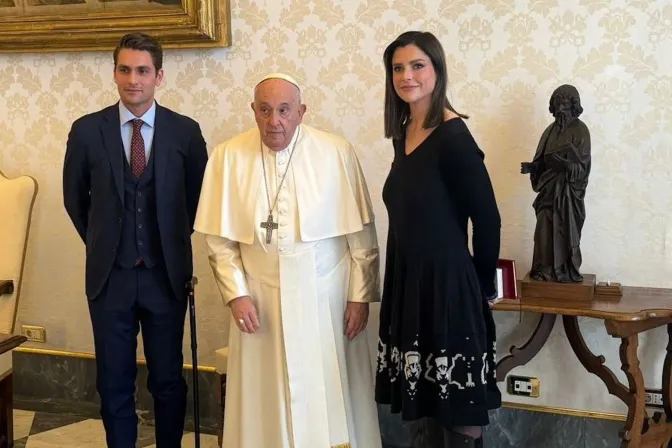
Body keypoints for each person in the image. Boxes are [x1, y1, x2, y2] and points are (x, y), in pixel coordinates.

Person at [194, 72, 382, 448]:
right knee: (267, 394)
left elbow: (361, 235)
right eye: (264, 110)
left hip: (325, 293)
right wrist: (237, 294)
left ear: (301, 112)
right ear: (253, 110)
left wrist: (359, 295)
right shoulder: (228, 156)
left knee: (329, 387)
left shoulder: (335, 152)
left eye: (284, 110)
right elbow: (219, 241)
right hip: (261, 297)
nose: (273, 121)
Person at [62, 32, 208, 447]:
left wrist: (169, 242)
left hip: (166, 276)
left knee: (168, 381)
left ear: (159, 76)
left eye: (143, 70)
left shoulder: (185, 132)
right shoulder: (88, 131)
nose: (133, 79)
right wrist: (104, 241)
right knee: (113, 384)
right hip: (111, 279)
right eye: (124, 69)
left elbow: (198, 200)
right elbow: (75, 200)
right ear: (114, 72)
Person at [374, 31, 501, 448]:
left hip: (449, 289)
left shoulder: (454, 137)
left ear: (437, 70)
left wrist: (482, 290)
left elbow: (487, 219)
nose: (406, 76)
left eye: (417, 65)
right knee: (425, 403)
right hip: (410, 285)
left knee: (458, 408)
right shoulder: (404, 132)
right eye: (398, 68)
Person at [521, 84, 591, 283]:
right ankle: (544, 270)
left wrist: (567, 165)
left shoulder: (581, 131)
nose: (561, 109)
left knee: (565, 232)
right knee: (543, 231)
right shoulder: (549, 131)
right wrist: (532, 167)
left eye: (566, 104)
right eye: (558, 104)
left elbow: (583, 167)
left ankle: (565, 270)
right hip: (548, 194)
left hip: (568, 196)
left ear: (573, 106)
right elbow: (542, 161)